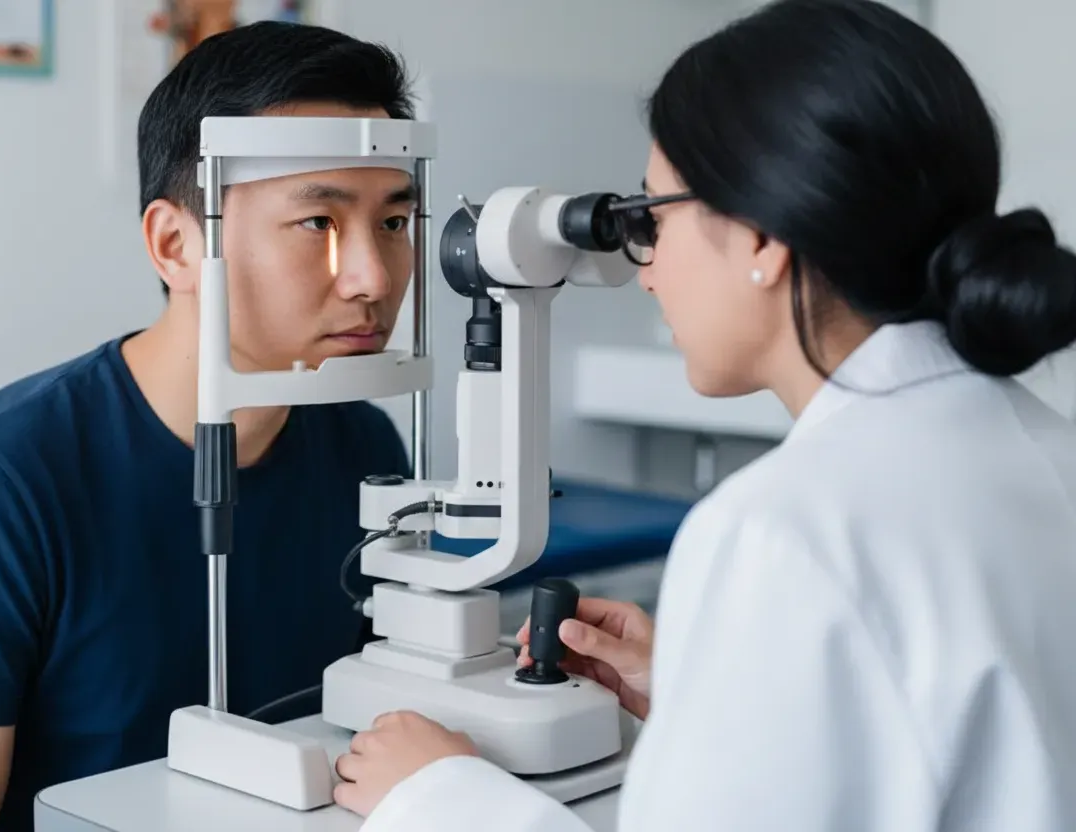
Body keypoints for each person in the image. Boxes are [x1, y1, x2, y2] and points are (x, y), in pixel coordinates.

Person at [330, 1, 1076, 829]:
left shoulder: (784, 532)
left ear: (761, 239)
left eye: (652, 218)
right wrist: (715, 691)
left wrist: (437, 794)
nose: (646, 269)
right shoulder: (1048, 447)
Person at [0, 21, 416, 832]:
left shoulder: (365, 446)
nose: (371, 279)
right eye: (319, 224)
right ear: (174, 244)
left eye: (393, 223)